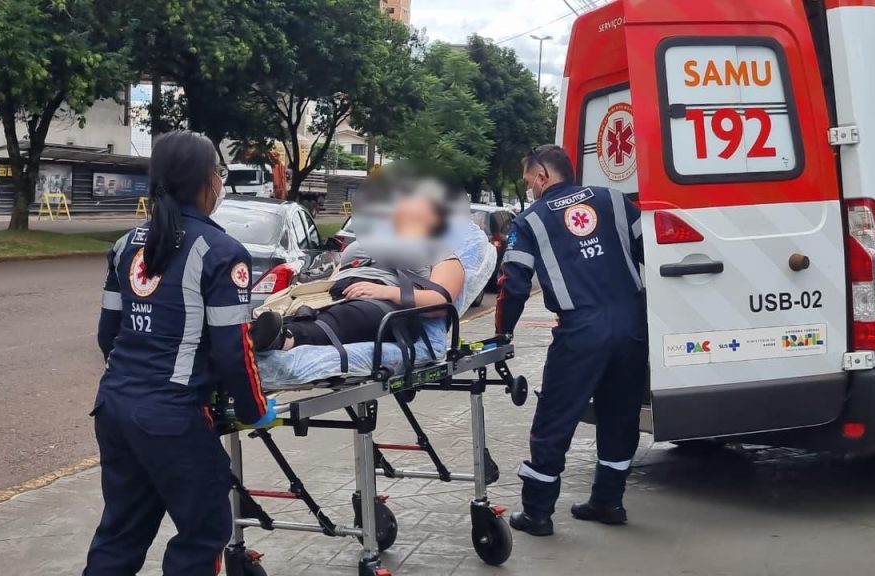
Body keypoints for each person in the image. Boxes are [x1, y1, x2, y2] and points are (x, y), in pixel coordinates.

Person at [84, 130, 275, 575]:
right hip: (172, 418)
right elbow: (234, 351)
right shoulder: (222, 252)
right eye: (220, 175)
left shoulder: (125, 245)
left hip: (115, 408)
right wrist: (255, 408)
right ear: (208, 180)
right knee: (204, 531)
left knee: (121, 532)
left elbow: (108, 334)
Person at [496, 144, 646, 536]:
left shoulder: (531, 221)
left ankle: (538, 513)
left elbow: (512, 284)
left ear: (543, 175)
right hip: (632, 321)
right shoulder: (614, 200)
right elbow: (649, 249)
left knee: (555, 417)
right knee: (620, 413)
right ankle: (608, 501)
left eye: (529, 178)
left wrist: (503, 333)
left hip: (581, 330)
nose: (528, 185)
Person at [250, 194, 464, 352]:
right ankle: (258, 334)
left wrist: (385, 292)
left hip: (386, 303)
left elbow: (440, 303)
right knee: (303, 310)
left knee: (348, 315)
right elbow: (335, 275)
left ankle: (286, 339)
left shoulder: (439, 252)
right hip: (339, 291)